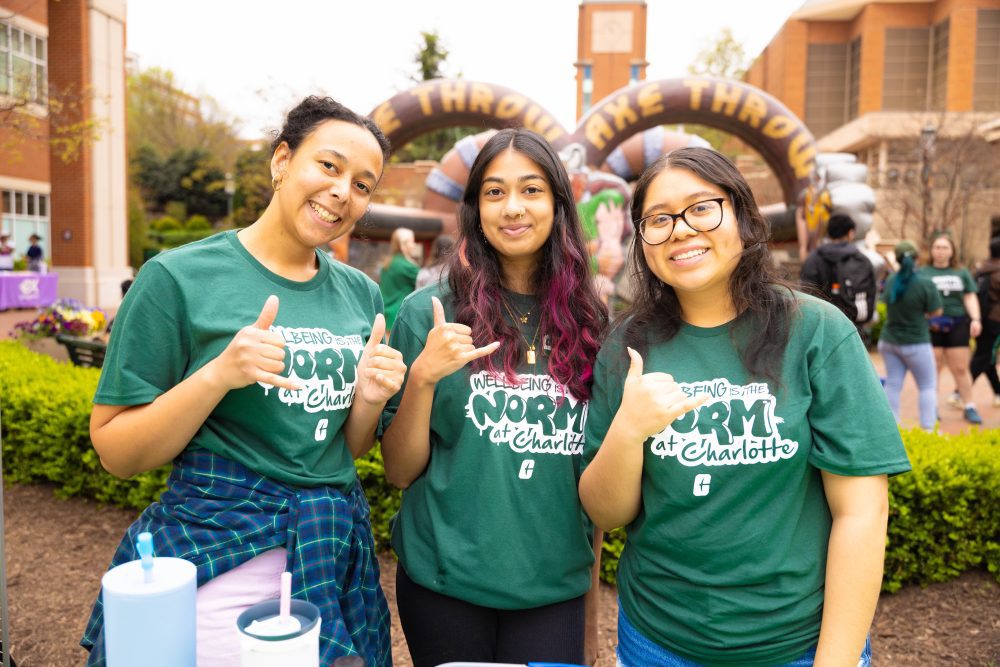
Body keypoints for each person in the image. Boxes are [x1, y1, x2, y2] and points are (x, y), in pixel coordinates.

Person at [81, 96, 404, 667]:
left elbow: (342, 450)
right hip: (220, 559)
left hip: (329, 559)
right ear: (282, 161)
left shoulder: (362, 294)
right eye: (328, 166)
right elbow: (116, 451)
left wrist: (369, 399)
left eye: (362, 184)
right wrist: (219, 375)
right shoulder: (177, 278)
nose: (342, 192)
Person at [579, 147, 910, 667]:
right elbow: (607, 513)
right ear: (642, 241)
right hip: (656, 643)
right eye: (658, 219)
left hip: (796, 647)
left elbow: (862, 513)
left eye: (701, 208)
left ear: (744, 218)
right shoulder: (627, 345)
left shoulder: (816, 332)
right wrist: (628, 429)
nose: (681, 230)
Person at [380, 128, 607, 667]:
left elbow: (591, 484)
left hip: (554, 590)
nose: (513, 208)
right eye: (494, 192)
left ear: (558, 204)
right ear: (475, 209)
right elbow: (399, 471)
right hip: (445, 585)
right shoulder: (428, 313)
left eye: (531, 190)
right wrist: (423, 378)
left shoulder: (593, 324)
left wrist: (592, 612)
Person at [878, 241, 944, 431]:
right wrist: (925, 315)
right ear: (916, 258)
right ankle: (928, 430)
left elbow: (885, 303)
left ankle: (892, 429)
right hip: (916, 343)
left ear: (898, 259)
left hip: (889, 341)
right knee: (927, 386)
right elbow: (937, 311)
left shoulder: (891, 280)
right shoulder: (925, 282)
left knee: (893, 384)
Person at [920, 233, 983, 424]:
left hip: (957, 323)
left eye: (945, 247)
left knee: (961, 368)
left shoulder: (961, 272)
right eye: (937, 247)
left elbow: (969, 296)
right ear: (931, 250)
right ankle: (932, 407)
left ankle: (969, 405)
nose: (940, 251)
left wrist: (976, 319)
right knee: (934, 367)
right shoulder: (922, 272)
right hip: (932, 325)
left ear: (952, 251)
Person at [799, 212, 877, 332]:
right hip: (854, 330)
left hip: (822, 328)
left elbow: (806, 294)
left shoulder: (813, 260)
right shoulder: (862, 261)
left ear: (829, 233)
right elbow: (870, 294)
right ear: (851, 233)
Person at [971, 236, 1000, 407]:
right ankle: (960, 392)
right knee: (984, 356)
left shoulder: (981, 270)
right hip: (995, 322)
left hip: (980, 319)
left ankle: (998, 391)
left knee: (987, 356)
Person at [379, 226, 420, 332]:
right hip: (400, 316)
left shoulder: (388, 263)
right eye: (412, 242)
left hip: (385, 315)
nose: (414, 245)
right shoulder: (408, 267)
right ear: (403, 244)